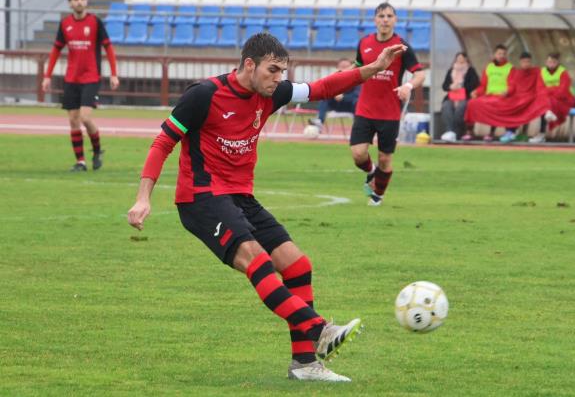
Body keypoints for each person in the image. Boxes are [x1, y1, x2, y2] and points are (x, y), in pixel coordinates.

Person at [126, 33, 407, 382]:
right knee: (257, 260)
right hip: (201, 198)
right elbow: (163, 142)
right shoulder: (204, 95)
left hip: (241, 197)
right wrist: (143, 197)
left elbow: (323, 87)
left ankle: (304, 365)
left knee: (297, 265)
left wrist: (375, 67)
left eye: (282, 72)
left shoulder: (272, 93)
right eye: (272, 70)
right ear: (249, 64)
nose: (278, 78)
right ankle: (319, 330)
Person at [350, 3, 425, 206]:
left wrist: (408, 86)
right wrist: (340, 80)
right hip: (365, 108)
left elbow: (419, 74)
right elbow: (357, 66)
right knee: (358, 154)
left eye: (389, 16)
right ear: (375, 19)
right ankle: (371, 171)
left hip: (389, 112)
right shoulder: (364, 43)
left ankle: (377, 196)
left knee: (385, 158)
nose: (385, 19)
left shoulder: (401, 46)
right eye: (381, 16)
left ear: (395, 20)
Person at [41, 0, 120, 172]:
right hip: (72, 78)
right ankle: (81, 162)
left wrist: (114, 73)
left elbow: (108, 48)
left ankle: (97, 150)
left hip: (91, 77)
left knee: (85, 117)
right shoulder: (65, 24)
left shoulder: (95, 22)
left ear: (86, 1)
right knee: (73, 120)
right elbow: (56, 50)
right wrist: (47, 76)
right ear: (70, 3)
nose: (79, 1)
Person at [462, 45, 514, 142]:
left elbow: (512, 85)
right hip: (488, 95)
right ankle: (469, 131)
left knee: (494, 104)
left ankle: (491, 133)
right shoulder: (489, 67)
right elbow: (483, 85)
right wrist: (476, 91)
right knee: (472, 103)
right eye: (499, 53)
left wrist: (507, 91)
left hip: (501, 96)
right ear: (494, 55)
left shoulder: (510, 68)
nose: (501, 56)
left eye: (503, 54)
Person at [531, 52, 575, 143]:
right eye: (549, 62)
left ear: (558, 63)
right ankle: (543, 129)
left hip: (565, 99)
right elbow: (539, 88)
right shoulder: (542, 72)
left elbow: (563, 90)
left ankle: (542, 133)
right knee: (543, 102)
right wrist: (552, 90)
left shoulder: (563, 72)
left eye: (554, 62)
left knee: (545, 103)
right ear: (546, 62)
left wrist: (549, 90)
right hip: (548, 98)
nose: (551, 64)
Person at [440, 52, 480, 142]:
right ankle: (449, 131)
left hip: (465, 96)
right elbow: (444, 86)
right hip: (451, 97)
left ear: (466, 59)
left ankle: (456, 132)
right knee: (446, 106)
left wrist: (462, 87)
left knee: (461, 108)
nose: (460, 60)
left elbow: (475, 84)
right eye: (458, 58)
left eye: (462, 58)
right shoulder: (451, 70)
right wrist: (451, 86)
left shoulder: (470, 70)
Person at [310, 58, 361, 127]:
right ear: (337, 68)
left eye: (347, 67)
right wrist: (334, 95)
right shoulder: (332, 78)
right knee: (324, 97)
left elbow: (357, 95)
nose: (345, 69)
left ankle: (358, 125)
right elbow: (326, 90)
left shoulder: (356, 80)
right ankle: (320, 121)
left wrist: (343, 97)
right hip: (335, 105)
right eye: (342, 67)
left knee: (356, 101)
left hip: (349, 106)